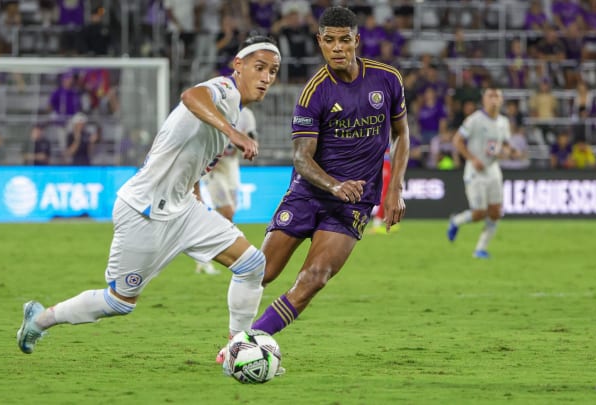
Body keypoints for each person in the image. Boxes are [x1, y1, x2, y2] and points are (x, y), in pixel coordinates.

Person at [16, 36, 282, 356]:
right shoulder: (223, 91)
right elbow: (190, 96)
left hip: (183, 208)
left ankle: (236, 348)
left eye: (273, 71)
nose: (266, 77)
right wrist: (232, 133)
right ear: (238, 66)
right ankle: (40, 320)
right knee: (119, 303)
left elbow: (191, 161)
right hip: (144, 211)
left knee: (252, 265)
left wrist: (194, 192)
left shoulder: (236, 110)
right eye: (260, 67)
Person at [224, 6, 409, 353]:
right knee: (259, 272)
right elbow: (301, 158)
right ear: (319, 43)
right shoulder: (314, 93)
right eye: (329, 41)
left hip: (354, 203)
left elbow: (401, 133)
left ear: (357, 40)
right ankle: (235, 337)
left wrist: (394, 188)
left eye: (344, 40)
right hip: (308, 194)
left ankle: (243, 345)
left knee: (314, 278)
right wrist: (334, 185)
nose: (337, 48)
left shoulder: (387, 79)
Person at [447, 87, 519, 259]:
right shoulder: (475, 120)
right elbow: (457, 140)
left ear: (501, 101)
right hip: (475, 171)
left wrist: (510, 151)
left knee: (495, 211)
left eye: (497, 96)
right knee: (479, 213)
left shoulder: (503, 122)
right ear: (484, 100)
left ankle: (480, 249)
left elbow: (505, 144)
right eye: (490, 95)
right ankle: (456, 221)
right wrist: (472, 159)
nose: (494, 98)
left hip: (493, 169)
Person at [195, 107, 257, 275]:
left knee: (228, 213)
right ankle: (212, 255)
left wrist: (249, 144)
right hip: (214, 167)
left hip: (232, 166)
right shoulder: (217, 110)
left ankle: (202, 255)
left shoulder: (246, 114)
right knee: (227, 212)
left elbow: (252, 137)